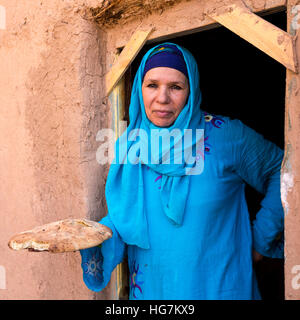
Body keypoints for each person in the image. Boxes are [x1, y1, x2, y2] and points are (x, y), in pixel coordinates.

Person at [80, 43, 284, 300]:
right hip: (154, 291)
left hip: (218, 288)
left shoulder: (226, 136)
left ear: (191, 90)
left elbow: (282, 170)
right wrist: (86, 237)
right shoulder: (129, 147)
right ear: (139, 89)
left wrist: (261, 240)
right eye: (152, 85)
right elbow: (125, 218)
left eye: (175, 87)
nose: (162, 98)